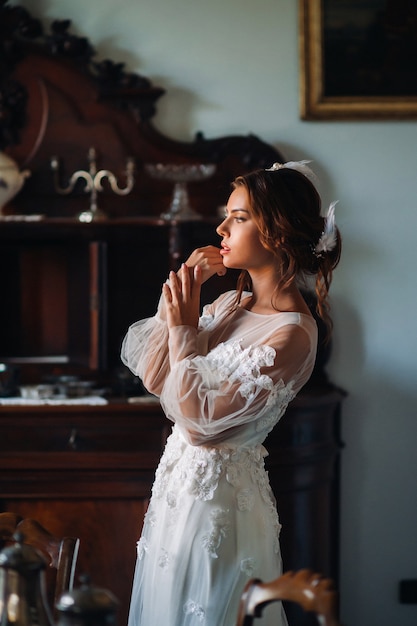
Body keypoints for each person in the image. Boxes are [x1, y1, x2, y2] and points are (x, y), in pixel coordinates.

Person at [121, 160, 342, 626]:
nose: (221, 226)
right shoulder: (229, 304)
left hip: (221, 507)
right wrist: (182, 301)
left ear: (277, 233)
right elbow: (159, 380)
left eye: (238, 217)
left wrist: (184, 330)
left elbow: (200, 426)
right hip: (177, 494)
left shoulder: (293, 335)